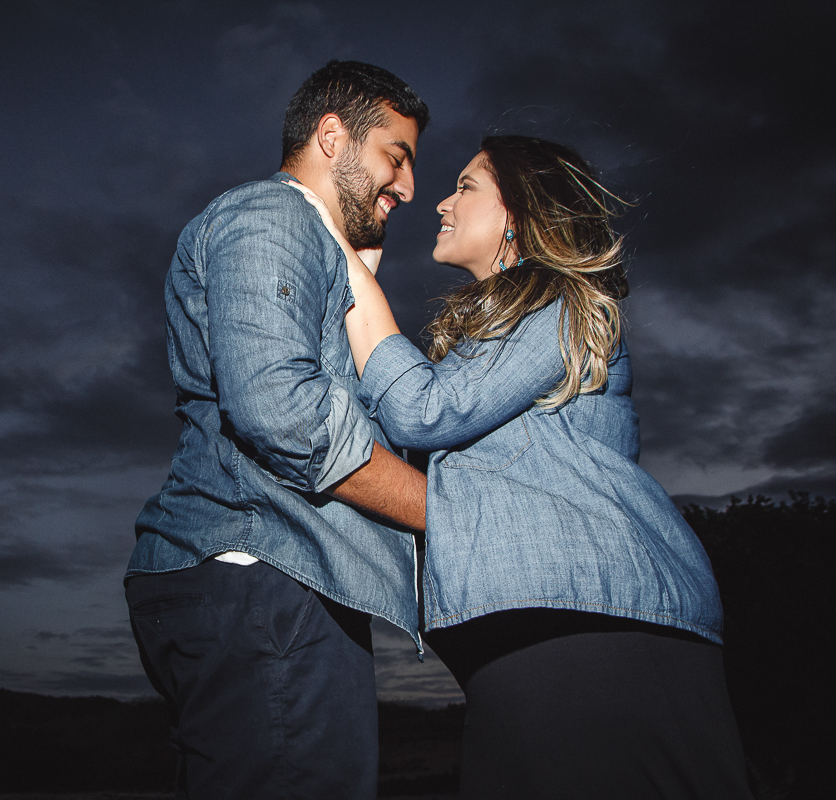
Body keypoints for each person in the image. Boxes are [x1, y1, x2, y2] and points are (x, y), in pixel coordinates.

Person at [293, 135, 753, 799]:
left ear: (517, 212)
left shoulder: (563, 302)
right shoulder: (491, 343)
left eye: (466, 186)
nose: (442, 203)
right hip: (531, 631)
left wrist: (351, 270)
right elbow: (390, 421)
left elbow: (423, 410)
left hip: (600, 624)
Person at [125, 61, 430, 799]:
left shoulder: (307, 238)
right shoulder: (273, 214)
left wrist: (355, 282)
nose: (410, 187)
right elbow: (280, 409)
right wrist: (446, 512)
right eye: (396, 156)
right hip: (265, 576)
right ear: (332, 136)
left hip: (262, 584)